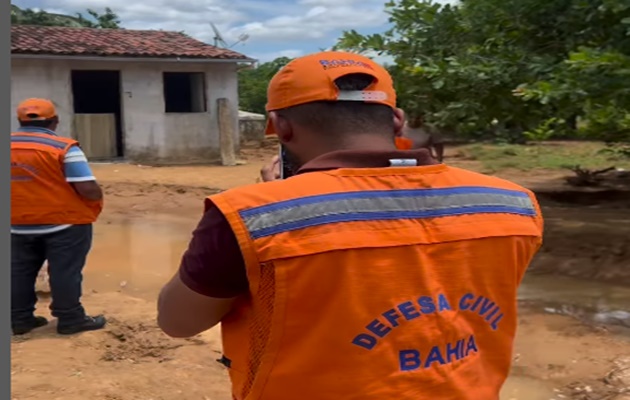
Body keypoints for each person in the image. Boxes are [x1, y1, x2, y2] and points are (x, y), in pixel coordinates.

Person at [157, 52, 543, 399]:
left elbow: (178, 321)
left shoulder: (252, 215)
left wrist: (285, 197)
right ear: (396, 119)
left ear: (281, 126)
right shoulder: (512, 202)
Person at [11, 98, 107, 335]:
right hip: (64, 224)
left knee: (18, 271)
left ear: (19, 121)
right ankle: (70, 319)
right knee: (65, 271)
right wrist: (97, 197)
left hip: (15, 224)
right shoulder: (64, 148)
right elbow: (87, 189)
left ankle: (19, 319)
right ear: (54, 122)